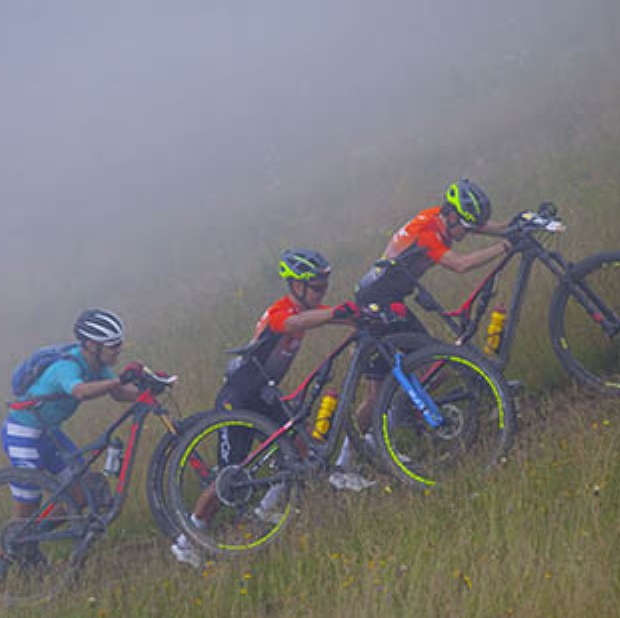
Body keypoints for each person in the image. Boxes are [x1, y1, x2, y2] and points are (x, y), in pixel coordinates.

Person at [332, 179, 511, 485]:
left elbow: (478, 225)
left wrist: (512, 226)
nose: (466, 234)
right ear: (452, 215)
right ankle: (344, 463)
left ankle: (380, 434)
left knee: (432, 367)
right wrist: (504, 246)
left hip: (391, 302)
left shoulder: (440, 217)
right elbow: (461, 265)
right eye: (464, 228)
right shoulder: (427, 233)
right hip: (376, 304)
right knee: (382, 391)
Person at [183, 248, 356, 549]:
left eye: (324, 287)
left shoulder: (303, 311)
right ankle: (187, 541)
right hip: (237, 398)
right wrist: (334, 313)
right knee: (229, 477)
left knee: (297, 446)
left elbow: (323, 317)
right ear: (296, 285)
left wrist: (361, 314)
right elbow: (294, 324)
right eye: (317, 287)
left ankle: (266, 509)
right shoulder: (280, 312)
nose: (322, 292)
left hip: (263, 395)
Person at [0, 309, 175, 575]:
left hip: (49, 433)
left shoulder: (96, 364)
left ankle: (30, 544)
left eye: (120, 343)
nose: (119, 350)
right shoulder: (66, 367)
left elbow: (119, 392)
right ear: (92, 344)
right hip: (23, 433)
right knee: (24, 513)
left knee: (82, 491)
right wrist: (116, 380)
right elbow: (79, 391)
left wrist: (150, 388)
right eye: (114, 345)